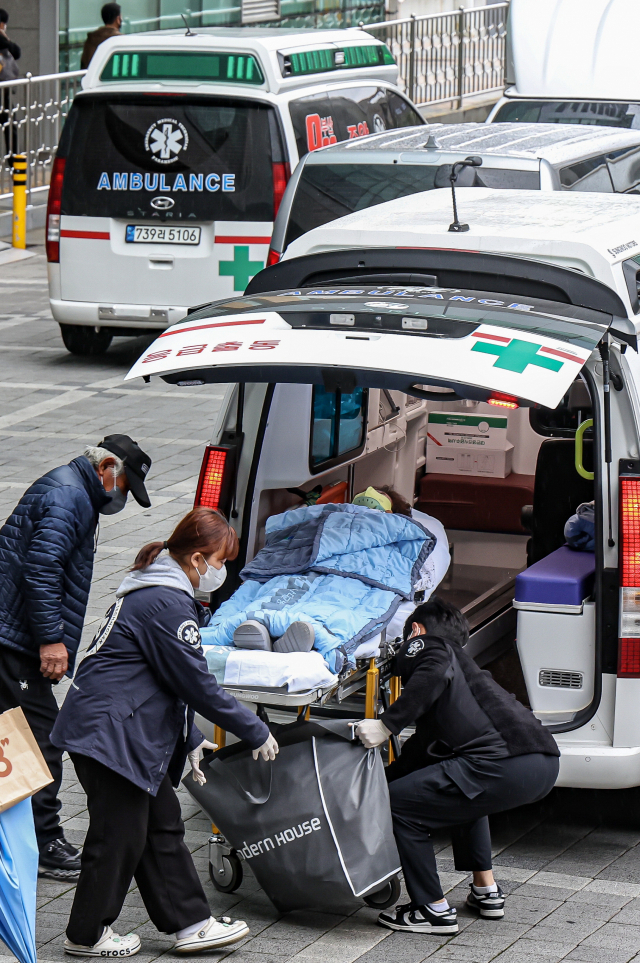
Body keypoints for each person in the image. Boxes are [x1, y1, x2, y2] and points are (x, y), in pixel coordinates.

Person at [51, 507, 278, 957]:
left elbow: (158, 678)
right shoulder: (167, 602)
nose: (221, 571)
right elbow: (195, 682)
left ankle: (191, 924)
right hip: (112, 736)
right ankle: (87, 935)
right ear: (196, 559)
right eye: (220, 561)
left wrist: (189, 737)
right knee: (119, 837)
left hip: (112, 730)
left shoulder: (153, 590)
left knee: (159, 828)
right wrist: (254, 730)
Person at [355, 597, 560, 935]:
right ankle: (486, 890)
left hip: (499, 762)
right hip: (542, 764)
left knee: (399, 806)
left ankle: (431, 909)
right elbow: (419, 754)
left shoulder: (430, 647)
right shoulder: (467, 677)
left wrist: (386, 724)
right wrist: (380, 781)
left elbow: (432, 670)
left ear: (415, 631)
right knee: (461, 794)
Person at [0, 434, 152, 879]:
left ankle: (25, 835)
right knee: (42, 738)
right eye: (124, 486)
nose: (123, 497)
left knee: (15, 733)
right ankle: (45, 841)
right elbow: (41, 569)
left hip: (11, 630)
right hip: (14, 638)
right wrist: (51, 640)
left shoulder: (72, 489)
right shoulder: (70, 497)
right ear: (106, 469)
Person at [0, 8, 20, 159]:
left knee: (10, 124)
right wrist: (5, 37)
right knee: (10, 126)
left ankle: (13, 160)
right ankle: (13, 161)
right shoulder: (1, 39)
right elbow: (16, 52)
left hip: (3, 92)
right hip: (2, 92)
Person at [80, 2, 122, 70]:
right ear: (118, 19)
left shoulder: (91, 39)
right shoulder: (120, 40)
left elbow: (84, 64)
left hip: (91, 76)